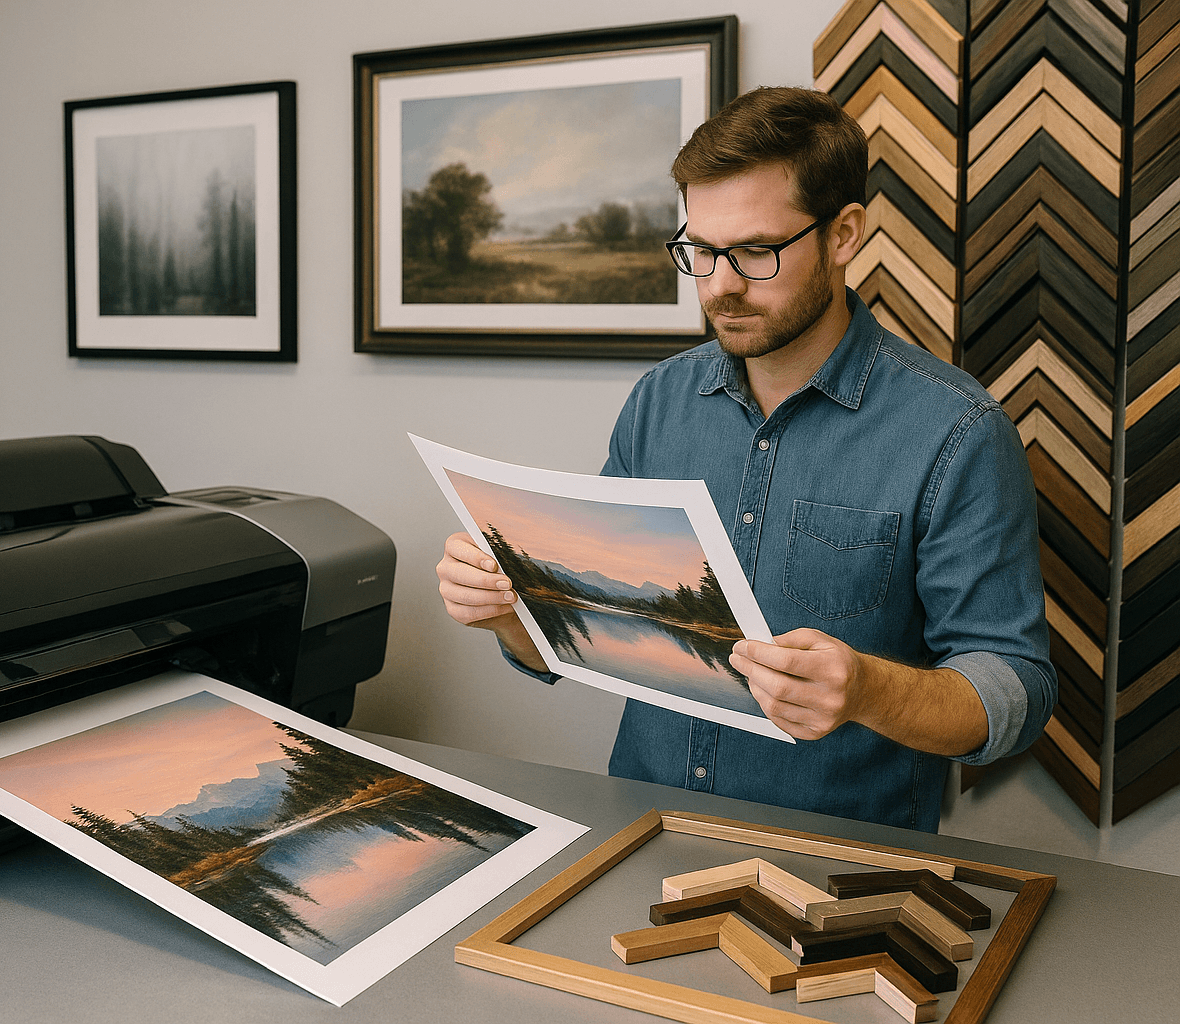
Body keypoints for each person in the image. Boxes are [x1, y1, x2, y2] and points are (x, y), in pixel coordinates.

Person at [435, 86, 1055, 831]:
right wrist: (512, 616)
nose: (719, 286)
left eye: (755, 251)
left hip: (845, 866)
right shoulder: (658, 402)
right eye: (699, 251)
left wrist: (866, 692)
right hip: (640, 828)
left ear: (845, 234)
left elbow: (1016, 692)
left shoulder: (957, 430)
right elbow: (585, 637)